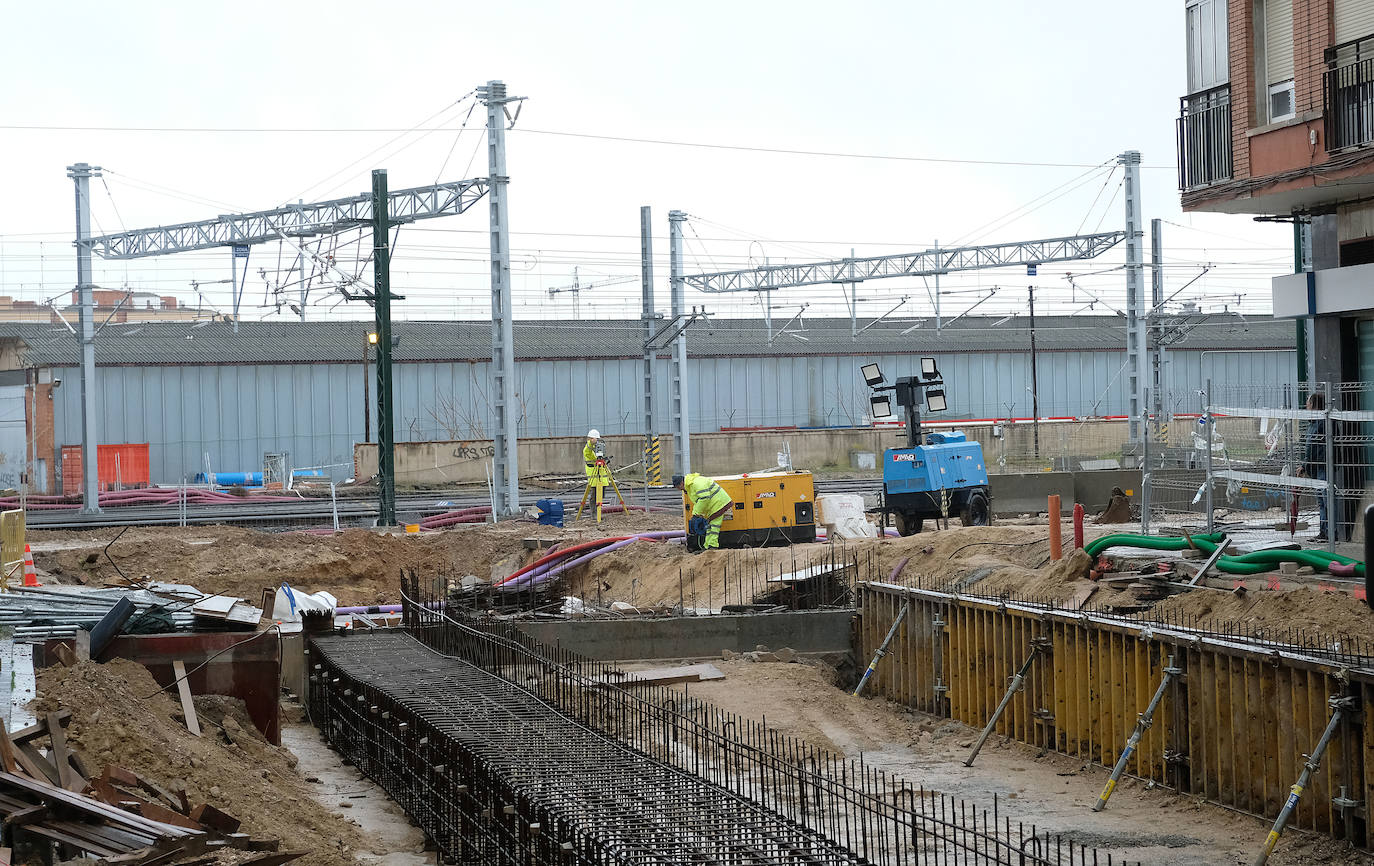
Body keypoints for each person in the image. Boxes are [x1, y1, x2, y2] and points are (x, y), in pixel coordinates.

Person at [1296, 394, 1329, 541]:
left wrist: (1307, 464)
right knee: (1322, 502)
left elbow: (1317, 448)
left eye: (1308, 403)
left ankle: (1329, 533)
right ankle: (1323, 532)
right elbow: (1310, 448)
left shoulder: (1323, 423)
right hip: (1315, 467)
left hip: (1323, 466)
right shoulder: (1313, 424)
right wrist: (1305, 465)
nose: (1306, 406)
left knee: (1327, 500)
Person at [672, 473, 733, 551]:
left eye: (678, 487)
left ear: (681, 483)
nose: (678, 489)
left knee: (714, 526)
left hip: (719, 504)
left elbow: (704, 498)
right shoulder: (690, 485)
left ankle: (712, 547)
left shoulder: (695, 483)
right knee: (709, 526)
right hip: (715, 504)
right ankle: (707, 547)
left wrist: (696, 514)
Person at [583, 429, 611, 520]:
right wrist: (591, 443)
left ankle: (598, 512)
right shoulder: (588, 449)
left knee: (601, 496)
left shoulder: (597, 448)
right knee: (594, 496)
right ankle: (594, 514)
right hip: (595, 477)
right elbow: (587, 451)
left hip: (602, 477)